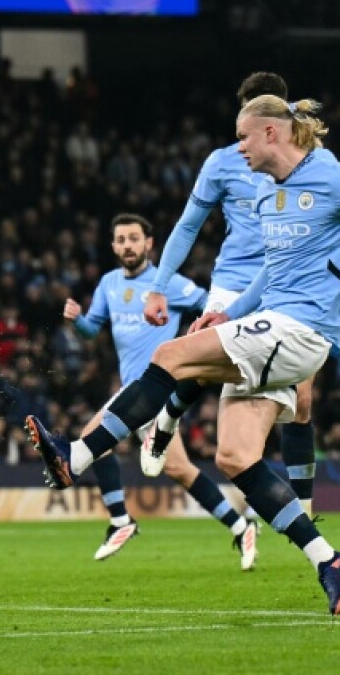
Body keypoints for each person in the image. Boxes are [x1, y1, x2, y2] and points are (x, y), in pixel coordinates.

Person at [26, 96, 340, 615]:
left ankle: (77, 456)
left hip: (300, 330)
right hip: (270, 326)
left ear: (272, 134)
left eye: (243, 137)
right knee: (234, 457)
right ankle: (328, 560)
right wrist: (227, 312)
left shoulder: (335, 177)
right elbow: (270, 275)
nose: (238, 148)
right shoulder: (266, 195)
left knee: (170, 354)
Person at [141, 72, 340, 518]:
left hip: (291, 284)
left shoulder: (315, 163)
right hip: (236, 280)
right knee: (198, 363)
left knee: (302, 401)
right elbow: (188, 225)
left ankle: (304, 505)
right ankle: (166, 421)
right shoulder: (223, 162)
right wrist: (158, 286)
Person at [65, 213, 258, 568]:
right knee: (180, 469)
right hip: (133, 392)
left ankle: (121, 521)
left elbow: (211, 307)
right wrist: (77, 319)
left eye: (134, 239)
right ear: (113, 246)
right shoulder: (108, 284)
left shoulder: (168, 284)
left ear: (149, 244)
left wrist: (200, 337)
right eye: (121, 240)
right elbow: (92, 329)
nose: (127, 246)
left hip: (153, 387)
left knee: (91, 442)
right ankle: (240, 525)